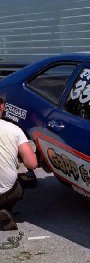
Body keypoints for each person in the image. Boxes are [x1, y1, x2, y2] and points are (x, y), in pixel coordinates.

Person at [0, 97, 38, 230]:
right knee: (19, 184)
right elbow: (32, 164)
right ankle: (5, 210)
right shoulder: (14, 130)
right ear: (2, 107)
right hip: (8, 193)